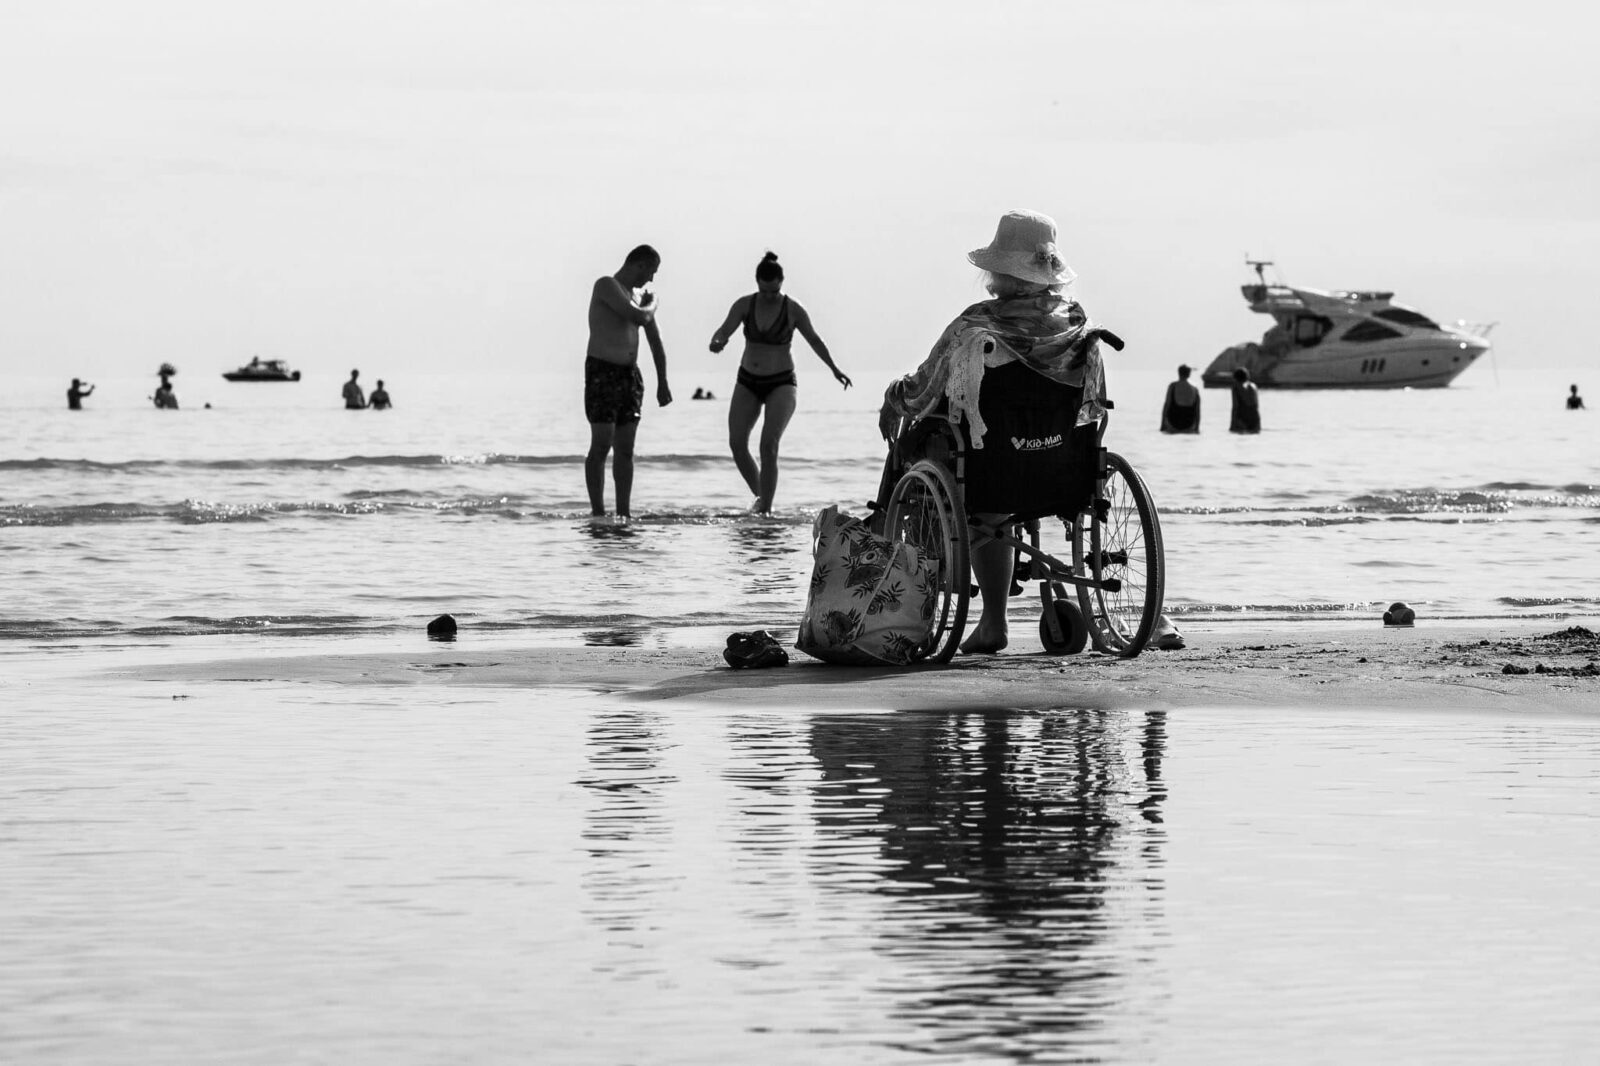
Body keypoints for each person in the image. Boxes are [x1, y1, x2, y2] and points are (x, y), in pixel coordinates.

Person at [879, 209, 1107, 655]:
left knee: (953, 470)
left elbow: (924, 384)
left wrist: (893, 399)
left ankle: (986, 619)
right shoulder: (1077, 324)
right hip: (1063, 468)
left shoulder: (978, 324)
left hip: (996, 469)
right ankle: (995, 619)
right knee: (998, 475)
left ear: (1002, 270)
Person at [708, 252, 851, 514]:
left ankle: (766, 510)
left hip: (781, 383)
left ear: (781, 283)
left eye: (774, 292)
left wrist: (834, 369)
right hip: (748, 380)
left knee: (768, 444)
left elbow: (814, 339)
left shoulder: (792, 309)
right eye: (764, 291)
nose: (769, 296)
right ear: (757, 283)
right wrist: (717, 341)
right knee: (736, 443)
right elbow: (723, 330)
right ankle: (761, 497)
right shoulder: (744, 305)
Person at [585, 244, 672, 519]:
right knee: (602, 443)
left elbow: (655, 341)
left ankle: (624, 513)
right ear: (639, 265)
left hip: (629, 376)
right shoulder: (607, 286)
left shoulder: (639, 297)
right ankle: (598, 512)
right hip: (602, 372)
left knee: (625, 449)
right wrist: (654, 302)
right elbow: (638, 316)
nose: (651, 279)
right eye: (651, 272)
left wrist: (663, 382)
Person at [1160, 364, 1200, 433]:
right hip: (1189, 425)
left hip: (1173, 424)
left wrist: (1162, 426)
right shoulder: (1195, 389)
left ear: (1178, 373)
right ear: (1189, 374)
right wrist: (1197, 429)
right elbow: (1197, 411)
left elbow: (1166, 405)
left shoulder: (1172, 386)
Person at [1229, 366, 1261, 433]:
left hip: (1242, 419)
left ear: (1236, 378)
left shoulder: (1236, 387)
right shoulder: (1254, 386)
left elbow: (1235, 406)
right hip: (1255, 419)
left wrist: (1232, 425)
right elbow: (1256, 405)